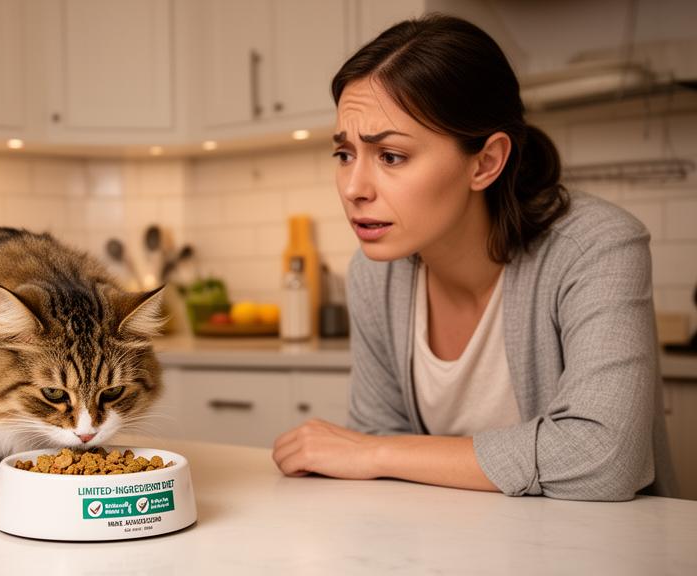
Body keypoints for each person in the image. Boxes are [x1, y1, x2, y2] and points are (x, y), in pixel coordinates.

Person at [271, 14, 676, 501]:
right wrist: (375, 452)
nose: (354, 188)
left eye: (391, 156)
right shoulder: (374, 275)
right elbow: (377, 444)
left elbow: (606, 457)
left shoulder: (596, 247)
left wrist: (375, 453)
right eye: (344, 155)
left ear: (485, 162)